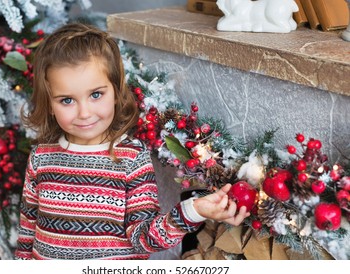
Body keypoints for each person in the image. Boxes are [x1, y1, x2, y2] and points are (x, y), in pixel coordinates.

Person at [15, 22, 250, 260]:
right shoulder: (41, 157)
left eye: (96, 95)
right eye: (67, 100)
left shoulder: (132, 157)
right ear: (50, 103)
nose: (84, 112)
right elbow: (27, 233)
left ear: (116, 93)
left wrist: (193, 211)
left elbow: (144, 238)